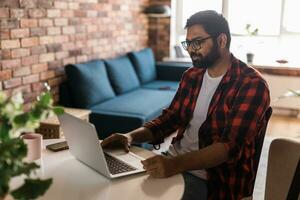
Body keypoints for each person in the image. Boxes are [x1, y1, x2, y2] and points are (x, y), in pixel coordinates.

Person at [101, 10, 270, 200]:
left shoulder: (251, 84)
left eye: (197, 42)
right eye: (188, 43)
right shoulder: (192, 76)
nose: (190, 49)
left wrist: (174, 165)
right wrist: (130, 136)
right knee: (119, 190)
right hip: (175, 161)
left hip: (215, 180)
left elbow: (227, 148)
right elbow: (170, 119)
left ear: (221, 41)